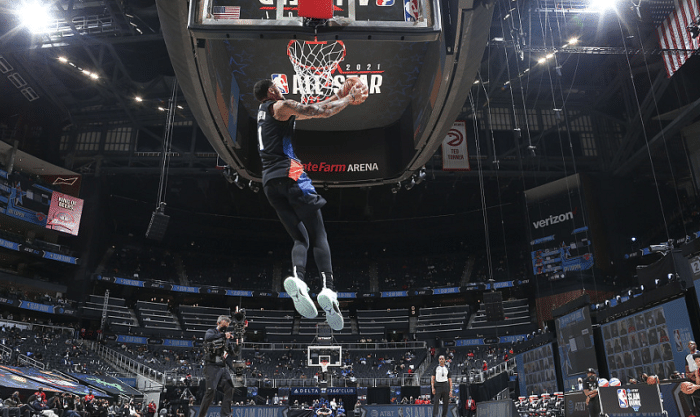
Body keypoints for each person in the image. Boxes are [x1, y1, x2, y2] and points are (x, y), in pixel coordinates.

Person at [252, 78, 368, 331]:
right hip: (291, 174)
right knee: (318, 235)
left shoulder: (264, 114)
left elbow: (316, 108)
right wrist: (350, 99)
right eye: (277, 86)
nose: (281, 89)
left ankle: (299, 280)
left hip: (269, 183)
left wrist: (338, 96)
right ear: (271, 91)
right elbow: (321, 112)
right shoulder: (281, 106)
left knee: (299, 238)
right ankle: (328, 288)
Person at [197, 315, 235, 417]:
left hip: (222, 366)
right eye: (224, 325)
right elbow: (208, 338)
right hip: (211, 365)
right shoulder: (211, 331)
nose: (225, 328)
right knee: (211, 391)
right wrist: (223, 335)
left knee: (230, 388)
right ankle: (201, 415)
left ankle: (225, 414)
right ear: (218, 323)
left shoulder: (226, 337)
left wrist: (237, 343)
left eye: (227, 326)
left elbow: (232, 353)